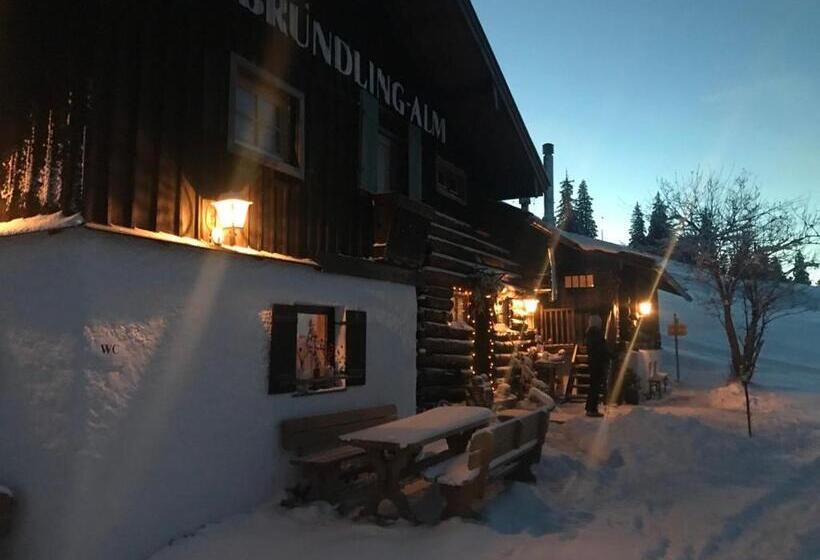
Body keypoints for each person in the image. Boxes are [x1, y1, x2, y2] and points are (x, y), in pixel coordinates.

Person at [584, 315, 610, 417]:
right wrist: (611, 355)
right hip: (597, 363)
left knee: (593, 386)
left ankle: (589, 408)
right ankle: (592, 409)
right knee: (595, 387)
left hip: (592, 363)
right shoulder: (596, 334)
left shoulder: (589, 334)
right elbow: (602, 348)